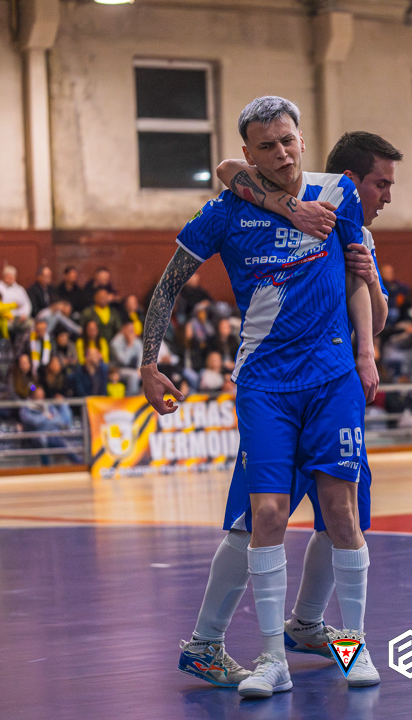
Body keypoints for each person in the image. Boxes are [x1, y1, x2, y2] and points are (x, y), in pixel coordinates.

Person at [142, 98, 381, 698]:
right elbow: (168, 283)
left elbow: (358, 280)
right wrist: (148, 363)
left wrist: (366, 351)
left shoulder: (340, 195)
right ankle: (265, 657)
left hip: (332, 380)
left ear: (302, 139)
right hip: (266, 384)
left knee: (342, 513)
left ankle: (346, 645)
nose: (281, 153)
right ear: (249, 153)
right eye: (266, 146)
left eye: (288, 140)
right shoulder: (228, 208)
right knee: (264, 517)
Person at [0, 266, 33, 336]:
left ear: (15, 277)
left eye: (11, 277)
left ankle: (21, 343)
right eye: (7, 277)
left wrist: (24, 315)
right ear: (3, 276)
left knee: (31, 324)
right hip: (5, 318)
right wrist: (8, 316)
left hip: (19, 317)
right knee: (9, 327)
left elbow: (26, 304)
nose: (9, 279)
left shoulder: (20, 289)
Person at [109, 320, 142, 395]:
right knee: (134, 375)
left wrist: (139, 368)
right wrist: (130, 345)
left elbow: (141, 355)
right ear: (123, 329)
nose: (132, 333)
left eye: (132, 330)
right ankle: (131, 398)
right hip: (117, 369)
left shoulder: (136, 341)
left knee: (149, 372)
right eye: (129, 330)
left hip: (133, 368)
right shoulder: (115, 342)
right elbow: (124, 361)